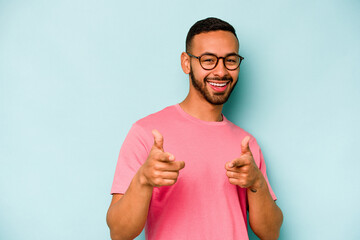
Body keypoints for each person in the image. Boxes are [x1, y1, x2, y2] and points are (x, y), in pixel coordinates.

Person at [107, 17, 283, 240]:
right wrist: (143, 180)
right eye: (208, 60)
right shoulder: (146, 133)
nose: (221, 71)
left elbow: (271, 233)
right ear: (186, 62)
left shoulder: (246, 145)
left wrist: (257, 183)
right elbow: (119, 233)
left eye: (230, 60)